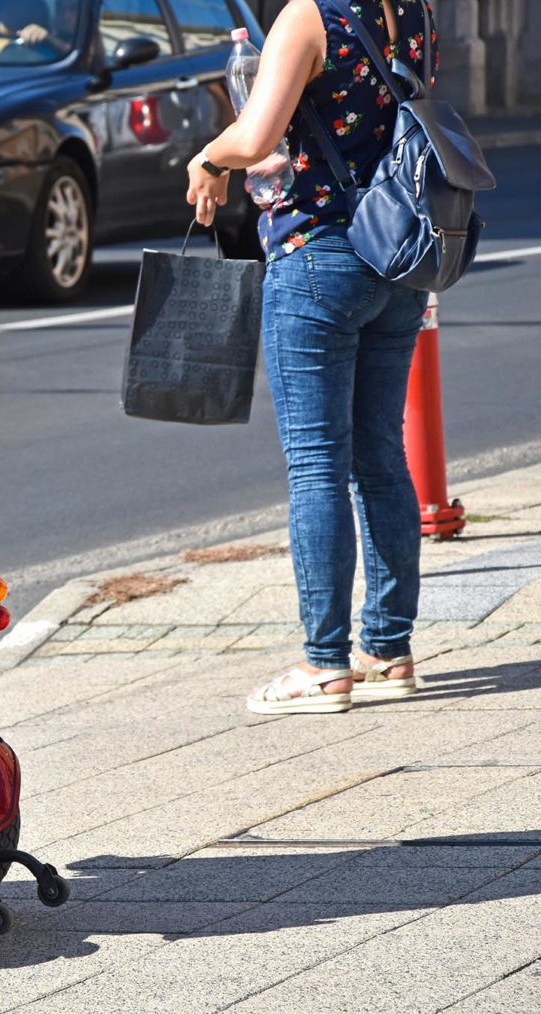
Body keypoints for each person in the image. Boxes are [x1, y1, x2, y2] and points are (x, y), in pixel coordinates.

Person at [186, 0, 435, 715]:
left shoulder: (307, 17)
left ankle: (322, 665)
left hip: (318, 253)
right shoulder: (409, 11)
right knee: (380, 458)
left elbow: (257, 136)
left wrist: (207, 158)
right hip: (396, 254)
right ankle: (388, 649)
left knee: (317, 463)